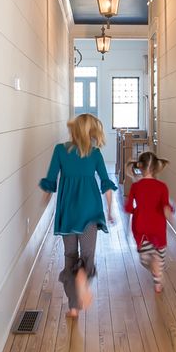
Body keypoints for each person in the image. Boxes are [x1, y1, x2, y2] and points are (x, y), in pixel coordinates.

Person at [39, 113, 116, 318]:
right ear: (91, 132)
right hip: (90, 211)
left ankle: (73, 307)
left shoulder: (60, 151)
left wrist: (45, 199)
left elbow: (50, 179)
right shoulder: (96, 154)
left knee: (69, 255)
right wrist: (110, 210)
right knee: (88, 255)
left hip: (68, 212)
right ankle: (83, 275)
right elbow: (106, 185)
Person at [124, 151, 174, 293]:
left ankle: (154, 264)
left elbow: (128, 208)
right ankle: (158, 281)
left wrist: (135, 211)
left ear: (140, 167)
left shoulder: (136, 187)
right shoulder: (162, 187)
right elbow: (165, 206)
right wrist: (168, 212)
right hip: (158, 228)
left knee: (145, 259)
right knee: (160, 259)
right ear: (155, 168)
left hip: (141, 228)